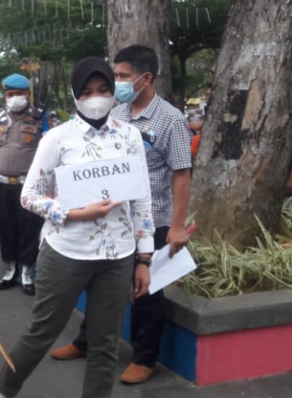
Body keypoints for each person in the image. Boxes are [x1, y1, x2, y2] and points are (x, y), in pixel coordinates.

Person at [0, 56, 155, 398]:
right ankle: (4, 387)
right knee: (44, 330)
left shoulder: (131, 137)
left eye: (104, 89)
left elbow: (141, 200)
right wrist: (74, 213)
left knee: (105, 343)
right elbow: (29, 196)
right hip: (66, 252)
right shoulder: (57, 139)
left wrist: (144, 259)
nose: (96, 97)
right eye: (88, 91)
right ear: (75, 95)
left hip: (118, 255)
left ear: (113, 92)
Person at [49, 45, 193, 386]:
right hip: (113, 218)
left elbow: (182, 174)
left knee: (147, 292)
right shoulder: (117, 112)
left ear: (146, 78)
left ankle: (145, 358)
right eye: (116, 75)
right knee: (99, 282)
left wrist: (175, 227)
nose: (117, 82)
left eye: (123, 76)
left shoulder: (170, 119)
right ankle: (86, 341)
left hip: (153, 219)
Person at [0, 73, 45, 296]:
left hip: (30, 186)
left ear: (28, 94)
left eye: (19, 94)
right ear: (5, 95)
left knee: (29, 228)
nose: (15, 97)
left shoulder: (40, 118)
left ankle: (26, 272)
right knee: (5, 227)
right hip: (3, 185)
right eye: (10, 94)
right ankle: (11, 268)